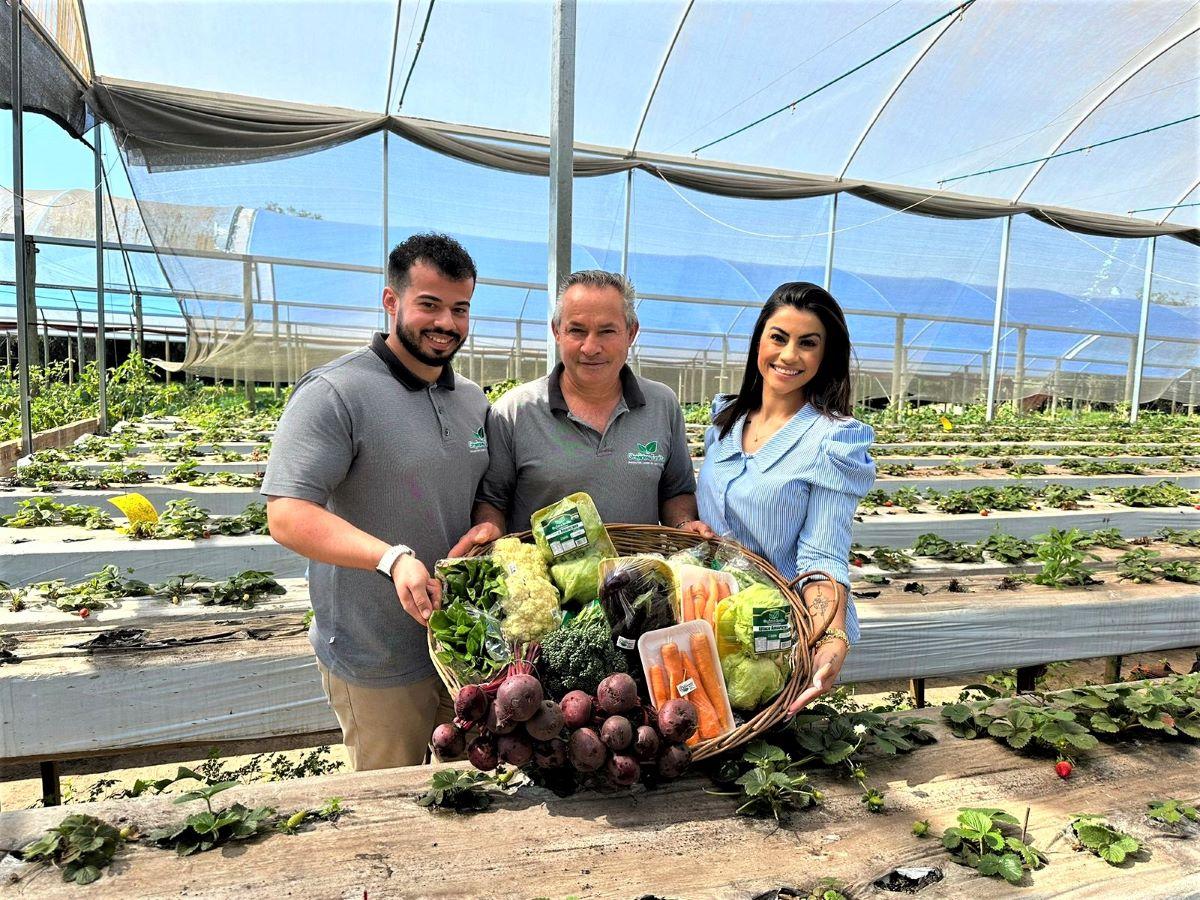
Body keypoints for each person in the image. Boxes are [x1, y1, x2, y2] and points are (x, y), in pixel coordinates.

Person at [263, 233, 488, 771]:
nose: (446, 323)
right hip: (378, 653)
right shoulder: (336, 393)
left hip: (463, 652)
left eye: (460, 309)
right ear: (392, 301)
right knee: (391, 808)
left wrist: (487, 525)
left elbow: (481, 493)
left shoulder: (473, 401)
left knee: (468, 798)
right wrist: (390, 558)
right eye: (429, 305)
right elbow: (287, 515)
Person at [696, 282, 875, 715]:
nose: (789, 355)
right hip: (713, 620)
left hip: (778, 633)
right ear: (759, 339)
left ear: (825, 355)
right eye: (778, 337)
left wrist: (828, 637)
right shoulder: (725, 420)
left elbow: (823, 557)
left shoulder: (832, 439)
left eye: (807, 344)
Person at [455, 270, 713, 553]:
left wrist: (683, 525)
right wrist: (490, 527)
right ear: (557, 332)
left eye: (607, 331)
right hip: (548, 591)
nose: (591, 348)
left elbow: (677, 491)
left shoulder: (662, 404)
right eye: (577, 330)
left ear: (631, 332)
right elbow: (493, 501)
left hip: (636, 588)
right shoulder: (514, 412)